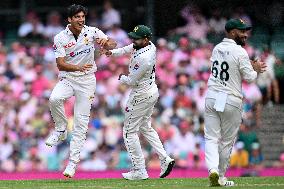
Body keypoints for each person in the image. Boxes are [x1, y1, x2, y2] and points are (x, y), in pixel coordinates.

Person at [45, 4, 117, 178]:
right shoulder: (60, 37)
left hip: (87, 82)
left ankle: (72, 164)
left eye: (83, 16)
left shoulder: (92, 31)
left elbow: (112, 43)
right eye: (77, 17)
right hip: (68, 78)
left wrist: (106, 43)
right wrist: (77, 67)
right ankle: (61, 128)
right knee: (54, 99)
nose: (81, 19)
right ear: (69, 19)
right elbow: (60, 63)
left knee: (80, 123)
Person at [100, 25, 175, 180]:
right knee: (146, 127)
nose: (133, 40)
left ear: (146, 39)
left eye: (137, 38)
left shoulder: (144, 58)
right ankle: (164, 158)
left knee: (129, 132)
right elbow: (129, 48)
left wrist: (121, 77)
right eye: (133, 37)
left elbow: (132, 81)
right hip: (151, 91)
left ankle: (139, 170)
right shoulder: (149, 45)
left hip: (140, 94)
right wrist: (112, 53)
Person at [204, 18, 266, 187]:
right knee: (226, 141)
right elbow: (250, 78)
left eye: (245, 30)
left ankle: (212, 170)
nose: (245, 34)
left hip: (212, 96)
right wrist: (256, 69)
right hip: (231, 98)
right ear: (231, 32)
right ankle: (221, 176)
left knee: (211, 138)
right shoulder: (240, 52)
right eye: (241, 31)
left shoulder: (217, 48)